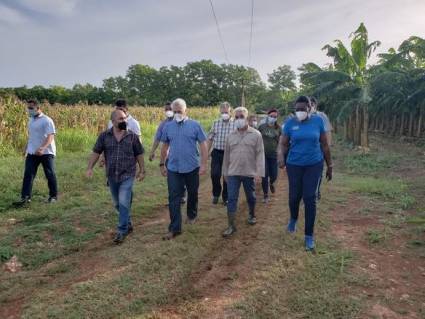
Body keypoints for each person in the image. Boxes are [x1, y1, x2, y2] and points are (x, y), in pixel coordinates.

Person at [277, 96, 332, 251]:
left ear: (309, 108)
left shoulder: (318, 121)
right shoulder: (289, 123)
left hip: (314, 164)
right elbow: (283, 143)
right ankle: (293, 219)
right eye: (297, 109)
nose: (300, 112)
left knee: (310, 197)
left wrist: (330, 165)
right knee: (294, 196)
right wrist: (281, 157)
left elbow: (325, 144)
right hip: (294, 164)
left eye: (303, 109)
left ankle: (309, 236)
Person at [86, 109, 145, 244]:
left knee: (124, 201)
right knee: (118, 204)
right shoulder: (104, 136)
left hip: (128, 174)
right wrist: (90, 168)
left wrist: (142, 170)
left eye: (125, 118)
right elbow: (96, 152)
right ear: (113, 121)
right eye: (120, 119)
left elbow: (139, 154)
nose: (124, 121)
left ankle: (121, 231)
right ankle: (128, 223)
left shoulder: (132, 137)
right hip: (112, 175)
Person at [159, 98, 208, 240]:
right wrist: (162, 164)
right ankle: (175, 228)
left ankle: (192, 214)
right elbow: (165, 147)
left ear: (185, 111)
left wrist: (203, 164)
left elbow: (203, 145)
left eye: (179, 111)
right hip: (174, 167)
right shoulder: (168, 127)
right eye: (174, 112)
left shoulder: (195, 125)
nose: (176, 114)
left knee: (192, 193)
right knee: (174, 197)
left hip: (192, 167)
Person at [222, 107, 265, 237]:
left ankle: (252, 214)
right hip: (233, 172)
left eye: (242, 117)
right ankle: (231, 226)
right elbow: (226, 156)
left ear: (247, 118)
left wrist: (259, 173)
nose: (239, 119)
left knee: (250, 197)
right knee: (232, 198)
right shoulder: (230, 136)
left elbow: (260, 154)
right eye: (237, 117)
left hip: (249, 172)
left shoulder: (256, 135)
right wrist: (225, 172)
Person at [13, 100, 58, 207]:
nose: (29, 110)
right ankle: (25, 198)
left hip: (46, 152)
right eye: (28, 108)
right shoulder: (31, 120)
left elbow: (50, 136)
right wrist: (26, 148)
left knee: (50, 174)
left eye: (31, 108)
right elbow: (32, 136)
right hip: (32, 152)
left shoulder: (47, 120)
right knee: (28, 174)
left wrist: (42, 148)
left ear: (38, 108)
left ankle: (53, 196)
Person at [207, 102, 235, 205]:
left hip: (229, 154)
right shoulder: (216, 123)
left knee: (227, 176)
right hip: (217, 152)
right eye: (222, 112)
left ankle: (226, 197)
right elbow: (210, 138)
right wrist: (206, 153)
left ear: (230, 111)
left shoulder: (235, 123)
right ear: (220, 111)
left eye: (226, 112)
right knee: (215, 174)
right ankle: (216, 193)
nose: (224, 114)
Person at [310, 96, 332, 201]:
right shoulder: (303, 117)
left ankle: (316, 191)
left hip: (319, 148)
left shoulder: (322, 116)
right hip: (307, 149)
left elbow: (327, 132)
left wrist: (327, 147)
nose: (311, 106)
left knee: (319, 170)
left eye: (312, 104)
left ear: (315, 105)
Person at [258, 109, 281, 203]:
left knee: (274, 175)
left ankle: (271, 183)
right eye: (271, 116)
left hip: (273, 155)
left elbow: (281, 141)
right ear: (268, 116)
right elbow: (256, 137)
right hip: (263, 154)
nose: (273, 118)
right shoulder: (262, 127)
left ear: (277, 118)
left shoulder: (278, 128)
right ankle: (265, 195)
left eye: (275, 116)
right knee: (264, 175)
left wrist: (280, 152)